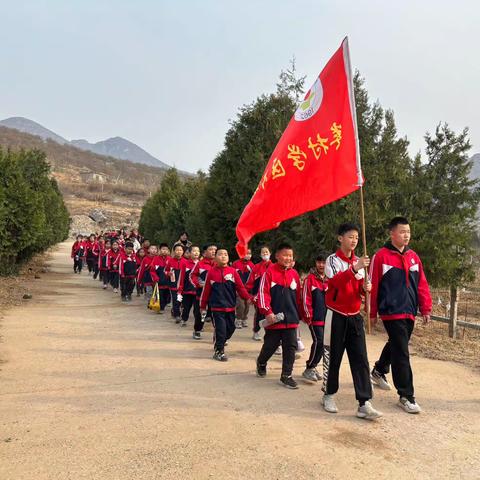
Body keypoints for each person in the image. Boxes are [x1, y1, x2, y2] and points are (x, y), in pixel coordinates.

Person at [369, 216, 432, 414]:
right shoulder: (381, 256)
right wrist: (372, 312)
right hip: (391, 311)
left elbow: (421, 284)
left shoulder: (414, 257)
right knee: (402, 352)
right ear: (392, 234)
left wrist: (426, 308)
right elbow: (373, 286)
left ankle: (379, 370)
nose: (406, 236)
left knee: (397, 345)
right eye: (402, 232)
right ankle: (406, 395)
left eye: (408, 232)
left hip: (409, 311)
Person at [322, 223, 382, 420]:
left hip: (354, 316)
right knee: (334, 357)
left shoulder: (359, 261)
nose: (354, 240)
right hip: (336, 314)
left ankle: (364, 402)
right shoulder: (332, 260)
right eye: (350, 236)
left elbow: (358, 290)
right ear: (340, 238)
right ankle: (329, 394)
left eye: (356, 237)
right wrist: (354, 269)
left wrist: (366, 287)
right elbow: (335, 283)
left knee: (360, 359)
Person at [256, 243, 302, 389]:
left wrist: (301, 315)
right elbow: (263, 294)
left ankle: (286, 375)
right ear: (276, 256)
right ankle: (261, 362)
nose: (288, 258)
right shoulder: (269, 273)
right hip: (274, 319)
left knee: (290, 347)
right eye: (285, 255)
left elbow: (299, 297)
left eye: (290, 255)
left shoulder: (294, 274)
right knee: (270, 346)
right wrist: (268, 311)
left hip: (291, 320)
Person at [200, 247, 252, 361]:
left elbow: (240, 287)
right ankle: (219, 351)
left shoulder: (233, 272)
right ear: (215, 258)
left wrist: (248, 298)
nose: (223, 256)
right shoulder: (211, 272)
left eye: (225, 254)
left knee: (231, 328)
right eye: (220, 254)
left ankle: (220, 340)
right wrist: (203, 306)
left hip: (230, 307)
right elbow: (206, 291)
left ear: (228, 258)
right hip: (217, 308)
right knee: (221, 329)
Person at [301, 253, 328, 383]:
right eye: (319, 262)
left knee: (324, 344)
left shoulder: (330, 279)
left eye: (324, 262)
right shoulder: (309, 279)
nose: (321, 265)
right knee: (319, 341)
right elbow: (305, 299)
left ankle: (312, 366)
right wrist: (308, 316)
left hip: (327, 319)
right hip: (314, 318)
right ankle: (309, 368)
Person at [190, 243, 217, 339]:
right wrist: (198, 284)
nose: (213, 251)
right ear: (204, 253)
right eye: (211, 249)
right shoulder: (200, 264)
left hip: (216, 295)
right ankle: (197, 330)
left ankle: (218, 335)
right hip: (201, 295)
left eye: (215, 249)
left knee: (217, 315)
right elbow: (192, 275)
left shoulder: (219, 264)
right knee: (201, 314)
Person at [246, 246, 272, 341]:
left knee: (271, 314)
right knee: (259, 314)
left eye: (266, 252)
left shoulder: (274, 267)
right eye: (263, 252)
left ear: (270, 253)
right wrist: (249, 296)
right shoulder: (256, 267)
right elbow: (250, 283)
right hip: (258, 296)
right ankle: (256, 331)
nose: (265, 254)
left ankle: (270, 334)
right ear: (260, 254)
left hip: (271, 296)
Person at [177, 246, 200, 327]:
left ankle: (198, 325)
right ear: (189, 253)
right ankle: (184, 319)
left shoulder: (201, 264)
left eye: (198, 251)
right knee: (186, 307)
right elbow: (182, 277)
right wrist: (180, 289)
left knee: (197, 309)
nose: (196, 252)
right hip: (187, 291)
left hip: (198, 291)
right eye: (194, 251)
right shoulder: (185, 264)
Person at [232, 249, 254, 329]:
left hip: (248, 290)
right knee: (241, 305)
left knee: (247, 305)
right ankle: (238, 319)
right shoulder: (235, 264)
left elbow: (254, 278)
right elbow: (232, 277)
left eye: (249, 253)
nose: (248, 255)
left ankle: (244, 318)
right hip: (238, 289)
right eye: (246, 253)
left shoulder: (251, 265)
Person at [165, 244, 187, 323]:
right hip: (173, 284)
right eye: (177, 250)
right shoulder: (170, 261)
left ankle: (175, 311)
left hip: (182, 285)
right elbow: (165, 271)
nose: (179, 252)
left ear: (183, 252)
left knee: (180, 299)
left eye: (181, 250)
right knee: (175, 299)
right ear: (174, 251)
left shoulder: (185, 261)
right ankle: (177, 315)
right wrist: (168, 273)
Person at [150, 243, 172, 313]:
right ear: (159, 250)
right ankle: (160, 307)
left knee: (167, 297)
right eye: (163, 249)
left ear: (168, 251)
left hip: (168, 283)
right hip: (159, 282)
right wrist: (155, 278)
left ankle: (164, 304)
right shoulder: (156, 259)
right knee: (160, 296)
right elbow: (152, 271)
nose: (164, 251)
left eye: (166, 249)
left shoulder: (170, 259)